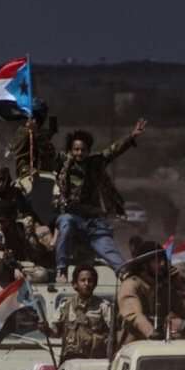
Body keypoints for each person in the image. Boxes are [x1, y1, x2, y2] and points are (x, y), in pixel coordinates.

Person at [54, 119, 147, 281]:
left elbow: (113, 151)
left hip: (93, 220)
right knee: (65, 224)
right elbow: (45, 153)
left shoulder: (95, 162)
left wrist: (132, 136)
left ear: (88, 151)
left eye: (83, 150)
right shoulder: (62, 163)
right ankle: (61, 270)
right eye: (76, 149)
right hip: (72, 216)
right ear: (70, 150)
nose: (79, 153)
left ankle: (125, 275)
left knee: (108, 249)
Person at [117, 240, 185, 346]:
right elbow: (133, 315)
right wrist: (151, 333)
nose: (162, 264)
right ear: (144, 264)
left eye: (163, 260)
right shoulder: (131, 284)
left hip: (162, 344)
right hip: (135, 345)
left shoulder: (164, 286)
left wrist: (178, 284)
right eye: (157, 261)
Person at [49, 264, 112, 362]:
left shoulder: (103, 306)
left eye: (90, 280)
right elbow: (55, 332)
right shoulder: (65, 306)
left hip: (95, 362)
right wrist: (45, 328)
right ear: (75, 284)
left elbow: (113, 334)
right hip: (70, 361)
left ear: (95, 284)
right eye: (83, 280)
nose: (86, 283)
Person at [9, 99, 56, 178]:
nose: (34, 121)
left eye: (36, 118)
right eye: (33, 117)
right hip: (28, 176)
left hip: (45, 175)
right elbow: (19, 156)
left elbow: (48, 155)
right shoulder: (24, 132)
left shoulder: (43, 135)